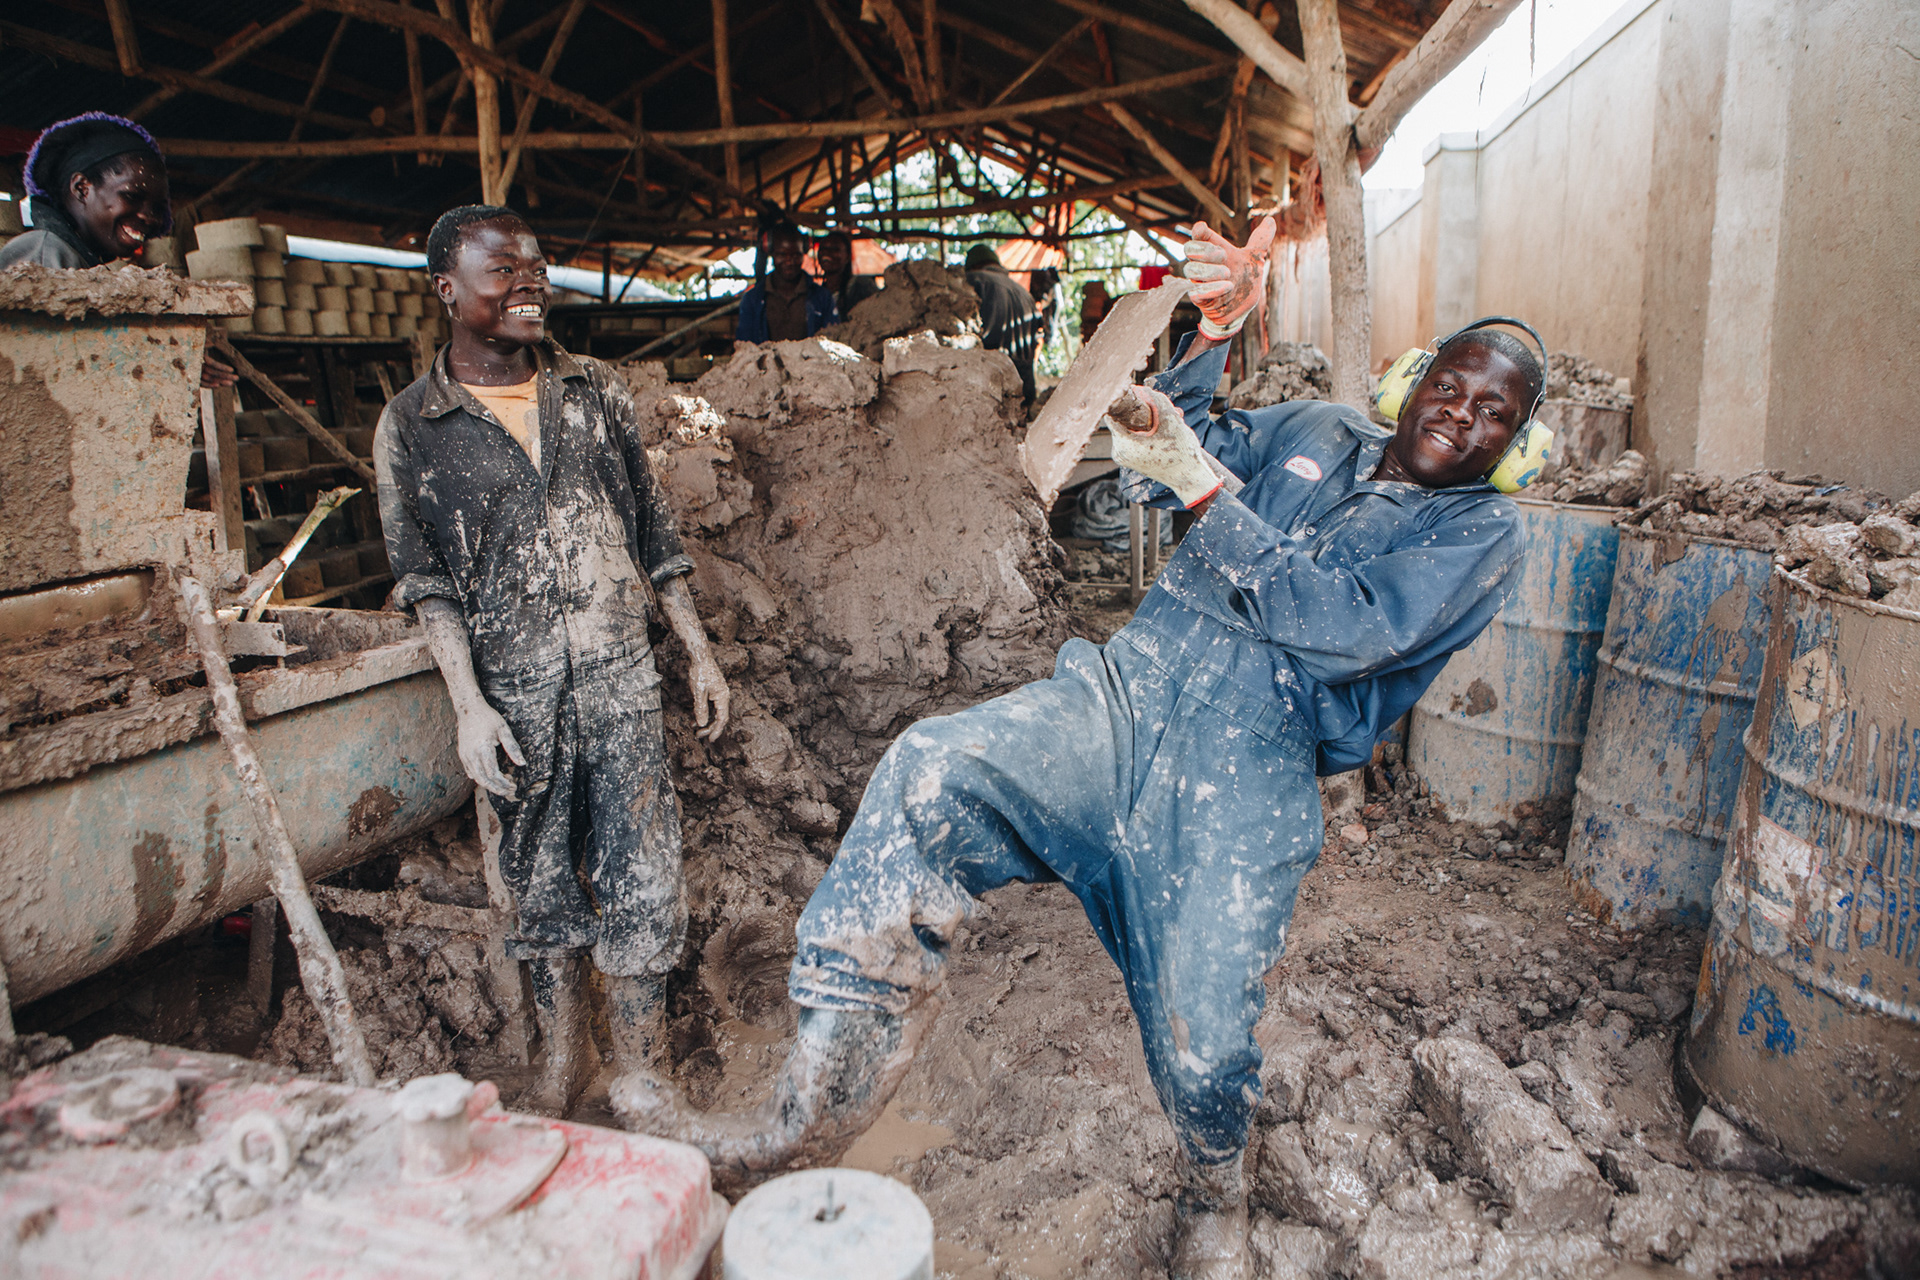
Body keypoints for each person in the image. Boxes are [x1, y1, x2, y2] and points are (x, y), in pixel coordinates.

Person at [615, 217, 1542, 1278]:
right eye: (1454, 387)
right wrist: (1207, 341)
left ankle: (1210, 1187)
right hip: (1126, 692)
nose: (1462, 417)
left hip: (1252, 767)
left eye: (1494, 414)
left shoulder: (1478, 535)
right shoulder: (1321, 427)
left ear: (1512, 441)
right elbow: (1173, 450)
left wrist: (1204, 487)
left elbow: (1345, 625)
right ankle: (800, 1113)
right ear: (1417, 380)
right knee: (931, 768)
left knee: (1204, 1044)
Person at [375, 204, 731, 1117]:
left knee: (644, 866)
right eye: (505, 272)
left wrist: (696, 652)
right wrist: (468, 706)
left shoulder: (594, 392)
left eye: (538, 268)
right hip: (514, 692)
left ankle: (643, 1064)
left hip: (620, 675)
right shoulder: (414, 425)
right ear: (448, 290)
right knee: (535, 878)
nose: (531, 285)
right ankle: (564, 1059)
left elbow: (654, 532)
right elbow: (426, 582)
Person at [2, 113, 238, 387]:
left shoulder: (82, 264)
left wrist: (169, 362)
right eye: (131, 196)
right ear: (82, 188)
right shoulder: (43, 255)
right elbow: (42, 377)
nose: (149, 217)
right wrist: (164, 362)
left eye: (158, 209)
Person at [964, 243, 1042, 403]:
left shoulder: (974, 280)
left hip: (992, 384)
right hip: (1024, 385)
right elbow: (1038, 337)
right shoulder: (1025, 293)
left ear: (974, 265)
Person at [736, 223, 837, 343]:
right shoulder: (752, 300)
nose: (789, 261)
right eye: (782, 254)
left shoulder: (822, 298)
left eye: (796, 255)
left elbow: (833, 342)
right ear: (771, 253)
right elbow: (745, 345)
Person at [816, 228, 879, 321]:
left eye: (835, 249)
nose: (827, 253)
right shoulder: (816, 294)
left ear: (848, 256)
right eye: (823, 249)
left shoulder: (862, 287)